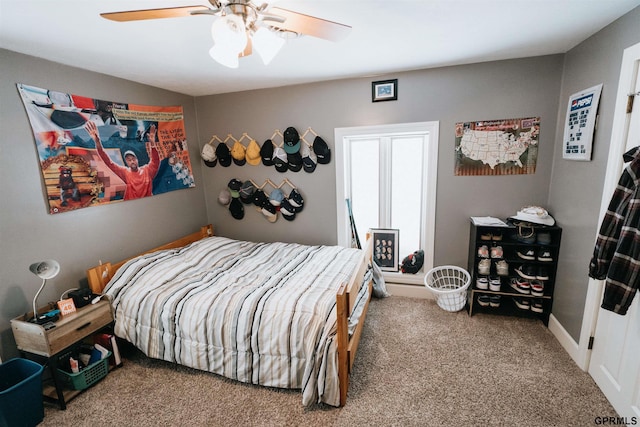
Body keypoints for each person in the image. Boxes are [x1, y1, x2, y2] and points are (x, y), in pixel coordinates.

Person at [85, 120, 160, 200]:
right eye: (129, 160)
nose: (132, 161)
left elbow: (155, 160)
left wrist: (152, 143)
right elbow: (108, 162)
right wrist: (97, 141)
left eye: (133, 158)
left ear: (137, 160)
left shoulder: (147, 170)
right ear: (126, 163)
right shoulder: (125, 172)